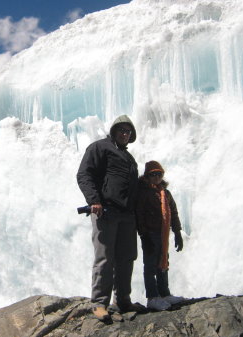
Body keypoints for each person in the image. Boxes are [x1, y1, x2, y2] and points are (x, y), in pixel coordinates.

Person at [77, 114, 144, 322]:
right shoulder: (99, 148)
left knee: (126, 257)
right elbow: (84, 174)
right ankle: (99, 303)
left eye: (128, 131)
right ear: (114, 131)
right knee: (105, 258)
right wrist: (94, 200)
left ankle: (123, 300)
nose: (125, 134)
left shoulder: (129, 158)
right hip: (105, 212)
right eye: (122, 130)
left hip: (127, 215)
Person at [136, 161, 185, 311]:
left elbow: (174, 213)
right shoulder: (144, 193)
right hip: (150, 234)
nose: (156, 177)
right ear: (147, 176)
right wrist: (144, 235)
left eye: (159, 174)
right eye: (153, 174)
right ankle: (152, 297)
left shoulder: (165, 193)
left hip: (163, 235)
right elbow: (139, 214)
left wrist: (177, 233)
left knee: (163, 264)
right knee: (150, 266)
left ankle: (164, 293)